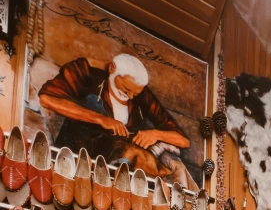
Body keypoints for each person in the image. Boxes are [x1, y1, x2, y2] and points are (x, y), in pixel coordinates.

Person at [39, 53, 190, 177]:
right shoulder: (86, 72)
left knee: (176, 168)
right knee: (134, 154)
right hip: (80, 155)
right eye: (126, 89)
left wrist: (155, 134)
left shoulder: (141, 94)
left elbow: (183, 141)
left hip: (121, 166)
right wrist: (101, 119)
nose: (131, 97)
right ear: (112, 69)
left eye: (135, 93)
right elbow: (47, 98)